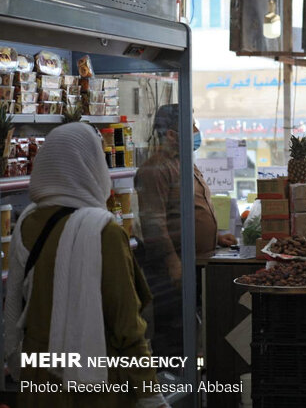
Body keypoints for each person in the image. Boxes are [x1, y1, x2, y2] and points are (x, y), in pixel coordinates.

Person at [4, 123, 168, 408]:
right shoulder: (104, 232)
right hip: (95, 386)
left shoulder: (27, 222)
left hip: (38, 381)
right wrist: (151, 395)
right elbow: (127, 325)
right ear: (90, 166)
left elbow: (13, 307)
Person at [134, 104, 236, 357]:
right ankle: (175, 387)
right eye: (191, 126)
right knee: (175, 336)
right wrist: (172, 262)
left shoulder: (184, 163)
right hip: (173, 272)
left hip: (195, 263)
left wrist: (216, 237)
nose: (197, 131)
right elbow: (154, 222)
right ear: (171, 134)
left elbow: (189, 210)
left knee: (195, 331)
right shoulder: (155, 168)